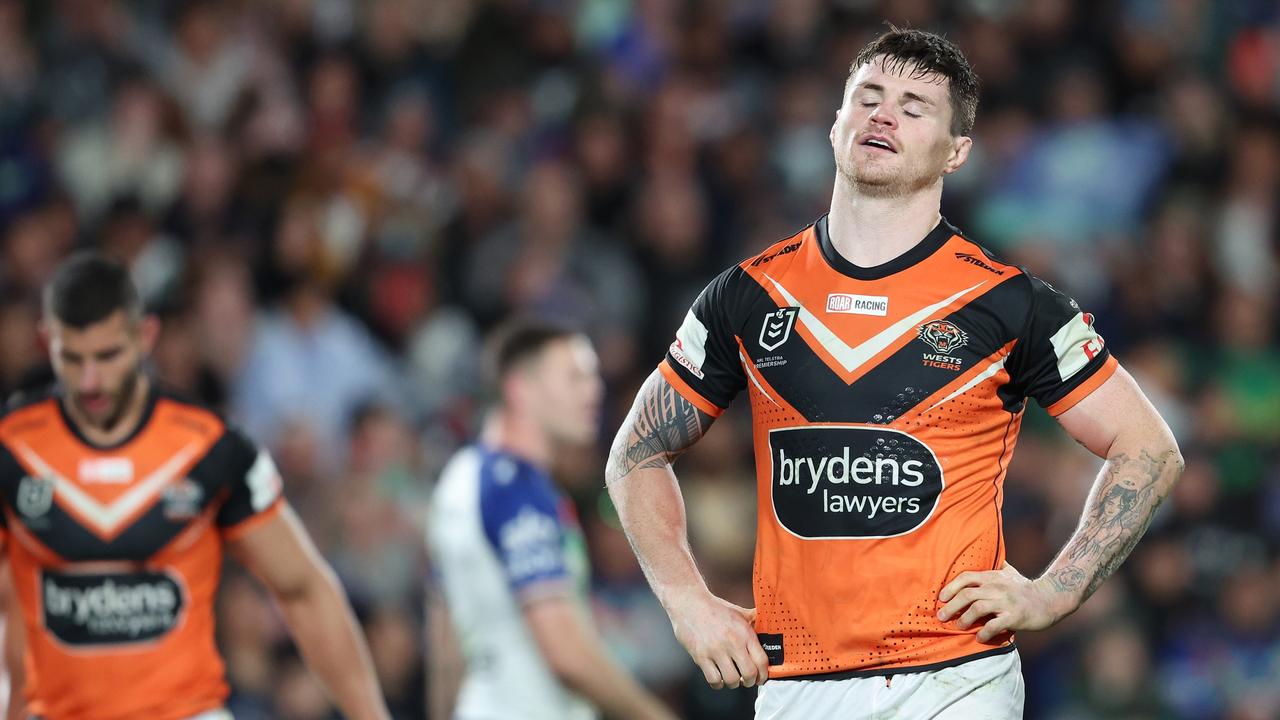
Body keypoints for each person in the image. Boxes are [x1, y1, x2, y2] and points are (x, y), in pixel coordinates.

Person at [605, 27, 1183, 719]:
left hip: (953, 678)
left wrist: (1054, 592)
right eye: (868, 97)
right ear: (835, 124)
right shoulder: (748, 293)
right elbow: (635, 453)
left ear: (957, 151)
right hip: (795, 686)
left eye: (915, 107)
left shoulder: (1009, 303)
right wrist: (686, 602)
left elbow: (1149, 448)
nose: (883, 114)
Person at [0, 252, 390, 720]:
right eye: (72, 358)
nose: (90, 381)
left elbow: (304, 589)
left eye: (108, 356)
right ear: (47, 342)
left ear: (145, 336)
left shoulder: (210, 449)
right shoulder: (12, 452)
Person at [428, 320, 675, 720]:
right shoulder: (518, 490)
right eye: (575, 377)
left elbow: (444, 636)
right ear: (519, 389)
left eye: (594, 376)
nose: (594, 391)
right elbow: (566, 655)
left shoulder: (460, 479)